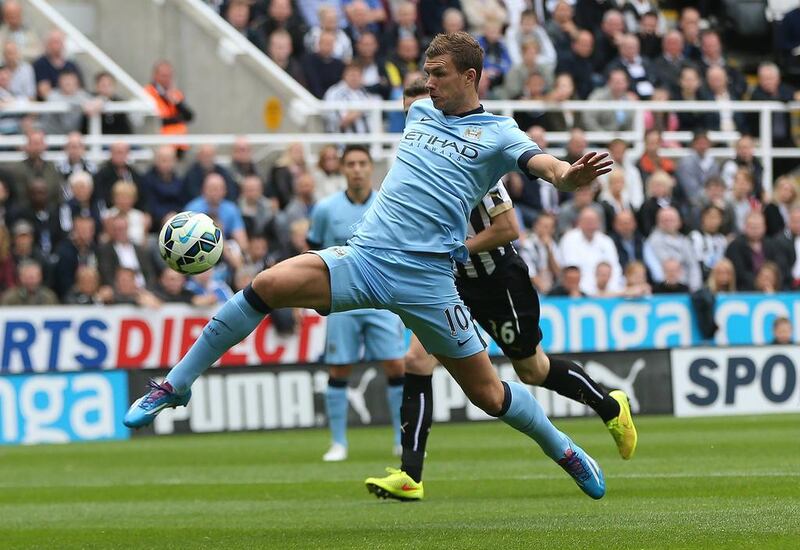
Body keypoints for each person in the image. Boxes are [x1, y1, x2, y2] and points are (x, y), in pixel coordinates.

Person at [125, 32, 612, 501]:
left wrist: (570, 175)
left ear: (471, 76)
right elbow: (411, 98)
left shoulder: (500, 134)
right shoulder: (421, 111)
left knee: (489, 395)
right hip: (366, 258)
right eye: (426, 74)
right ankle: (175, 384)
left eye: (439, 75)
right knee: (266, 284)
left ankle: (564, 449)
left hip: (430, 284)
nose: (429, 84)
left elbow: (548, 168)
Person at [364, 82, 635, 500]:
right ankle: (410, 475)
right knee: (417, 359)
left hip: (497, 281)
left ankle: (609, 405)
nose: (414, 122)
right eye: (408, 114)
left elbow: (508, 228)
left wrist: (458, 248)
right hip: (449, 281)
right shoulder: (416, 165)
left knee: (532, 370)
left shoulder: (474, 168)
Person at [306, 145, 406, 462]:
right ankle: (338, 443)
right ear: (343, 169)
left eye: (363, 163)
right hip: (342, 301)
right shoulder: (325, 209)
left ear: (371, 168)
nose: (357, 169)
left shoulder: (389, 205)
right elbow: (312, 252)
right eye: (351, 164)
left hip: (381, 300)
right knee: (339, 368)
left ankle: (400, 438)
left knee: (395, 364)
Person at [144, 60, 194, 145]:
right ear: (155, 76)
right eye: (163, 76)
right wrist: (178, 119)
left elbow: (189, 116)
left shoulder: (175, 93)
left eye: (169, 76)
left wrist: (177, 103)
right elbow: (159, 120)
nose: (167, 79)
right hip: (160, 141)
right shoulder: (148, 92)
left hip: (179, 142)